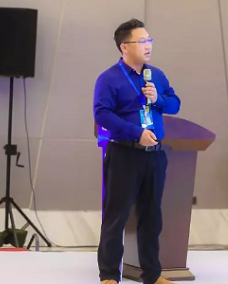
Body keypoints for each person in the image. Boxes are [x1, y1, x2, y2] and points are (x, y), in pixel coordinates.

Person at [94, 19, 181, 284]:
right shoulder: (109, 78)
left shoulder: (157, 75)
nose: (148, 46)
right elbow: (102, 114)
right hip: (124, 154)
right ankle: (109, 275)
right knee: (116, 216)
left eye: (149, 40)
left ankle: (152, 274)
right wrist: (136, 132)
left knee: (152, 216)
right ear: (124, 46)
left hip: (155, 155)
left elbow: (175, 104)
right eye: (142, 41)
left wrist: (158, 99)